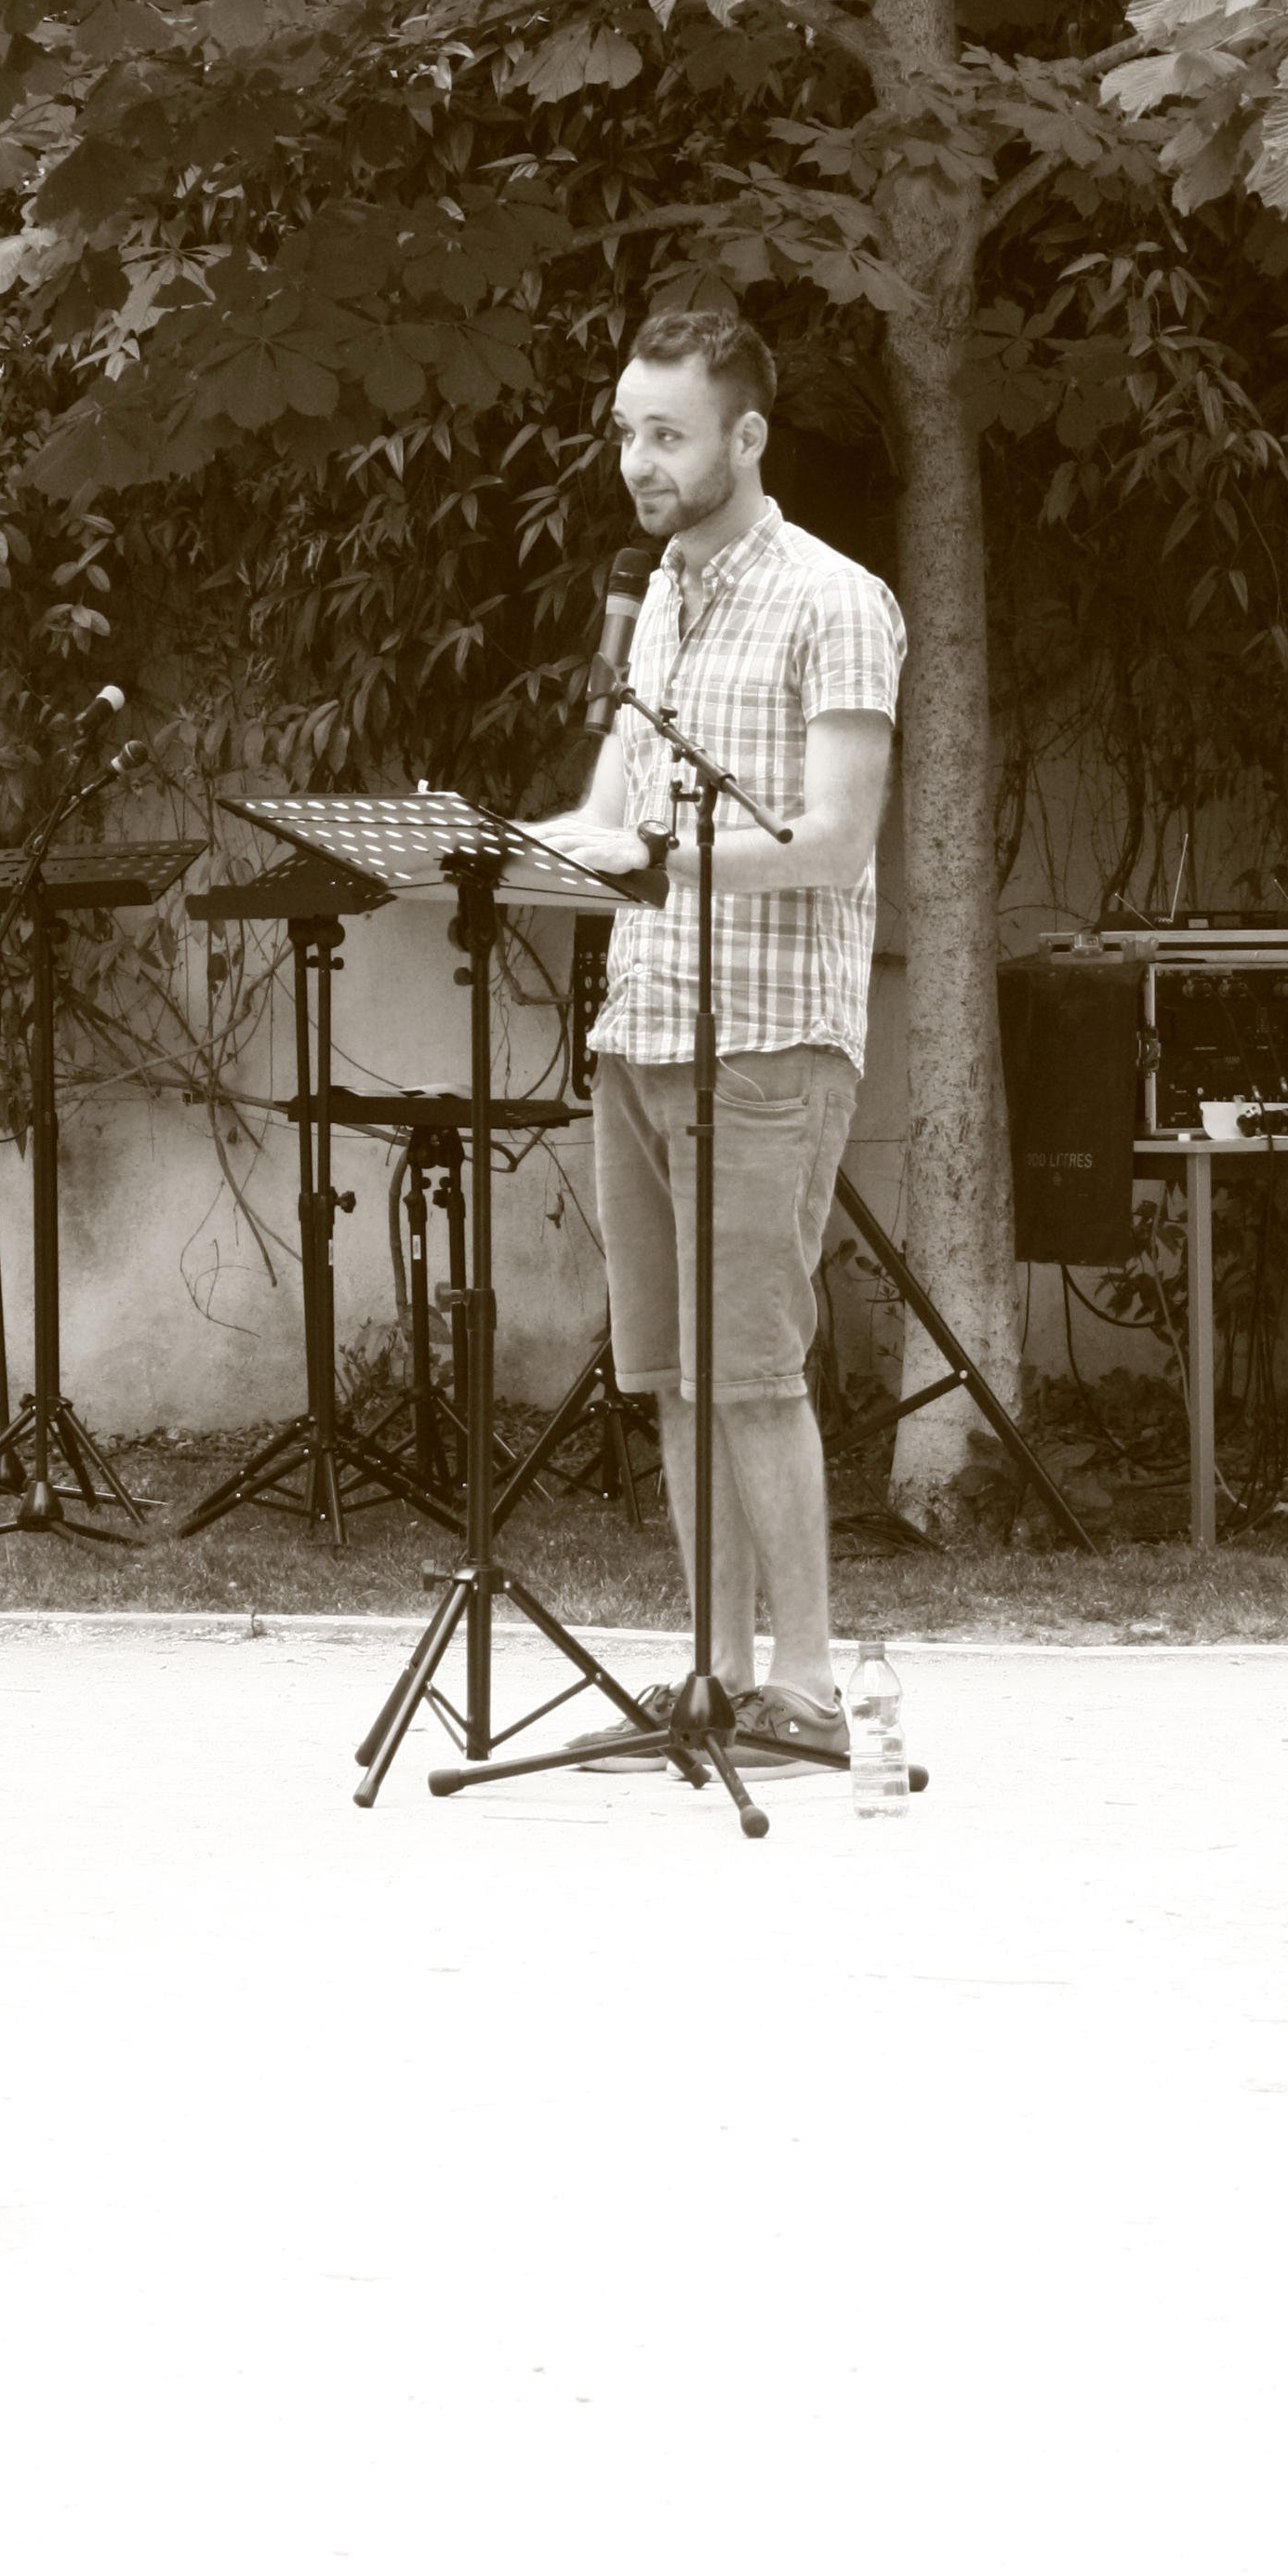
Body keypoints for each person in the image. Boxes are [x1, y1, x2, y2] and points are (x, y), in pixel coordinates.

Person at [532, 302, 906, 1771]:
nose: (638, 460)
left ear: (746, 436)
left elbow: (836, 841)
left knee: (751, 1369)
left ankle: (805, 1690)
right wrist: (498, 853)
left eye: (668, 434)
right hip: (642, 1027)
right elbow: (612, 814)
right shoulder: (657, 599)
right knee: (674, 1376)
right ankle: (712, 1673)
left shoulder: (837, 602)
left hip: (766, 1036)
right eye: (627, 432)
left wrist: (653, 862)